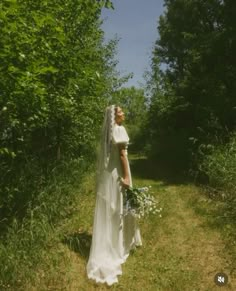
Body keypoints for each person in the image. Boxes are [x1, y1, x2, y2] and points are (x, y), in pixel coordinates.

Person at [86, 105, 142, 286]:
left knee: (111, 207)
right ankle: (119, 245)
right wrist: (126, 176)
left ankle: (112, 240)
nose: (123, 114)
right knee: (120, 207)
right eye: (120, 112)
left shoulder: (108, 135)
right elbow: (123, 155)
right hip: (118, 174)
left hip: (108, 175)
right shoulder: (120, 130)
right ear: (114, 117)